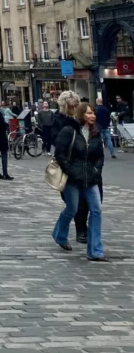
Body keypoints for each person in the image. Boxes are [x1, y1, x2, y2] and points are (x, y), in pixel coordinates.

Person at [52, 95, 107, 261]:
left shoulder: (95, 133)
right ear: (81, 114)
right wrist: (70, 171)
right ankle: (60, 235)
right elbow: (59, 153)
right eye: (89, 113)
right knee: (72, 209)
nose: (92, 116)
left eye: (93, 113)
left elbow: (99, 155)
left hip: (91, 178)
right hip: (73, 178)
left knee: (96, 210)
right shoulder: (69, 131)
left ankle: (95, 251)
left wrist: (96, 170)